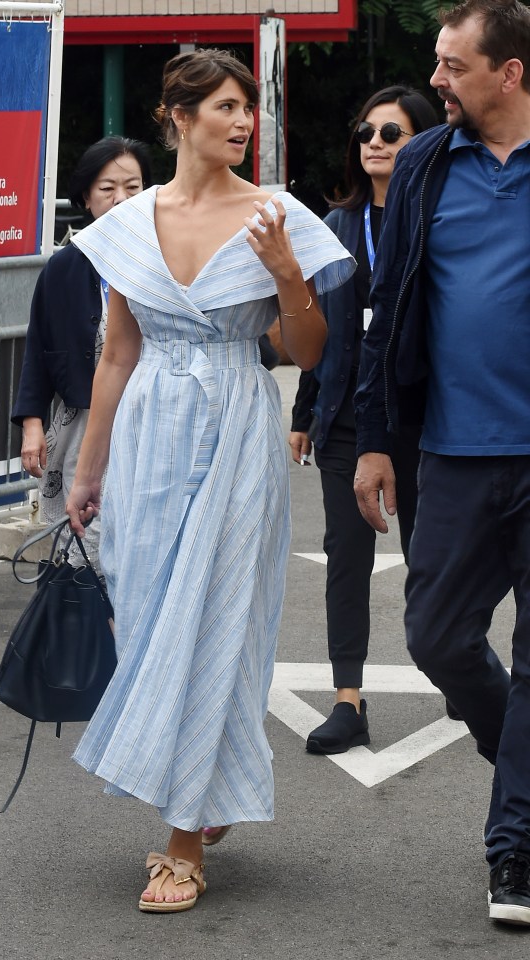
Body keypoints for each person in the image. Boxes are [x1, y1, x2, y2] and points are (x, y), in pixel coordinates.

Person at [65, 48, 355, 913]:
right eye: (225, 107)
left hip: (237, 425)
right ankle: (206, 777)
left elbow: (308, 351)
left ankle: (182, 842)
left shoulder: (277, 216)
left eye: (247, 110)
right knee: (156, 615)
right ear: (178, 116)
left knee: (215, 621)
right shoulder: (126, 224)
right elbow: (118, 351)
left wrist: (286, 274)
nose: (243, 122)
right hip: (152, 432)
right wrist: (90, 469)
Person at [353, 0, 530, 926]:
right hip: (452, 451)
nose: (435, 81)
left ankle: (516, 852)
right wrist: (376, 437)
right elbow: (390, 304)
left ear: (510, 73)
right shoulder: (424, 164)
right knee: (435, 636)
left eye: (453, 66)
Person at [288, 87, 439, 754]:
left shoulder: (443, 215)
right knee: (345, 558)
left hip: (429, 418)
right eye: (365, 131)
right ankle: (348, 698)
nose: (373, 142)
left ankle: (457, 672)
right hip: (348, 416)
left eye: (391, 132)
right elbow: (321, 331)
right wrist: (303, 410)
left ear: (423, 143)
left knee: (439, 559)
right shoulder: (335, 226)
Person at [11, 136, 152, 568]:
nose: (122, 198)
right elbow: (40, 346)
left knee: (141, 549)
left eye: (133, 186)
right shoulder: (65, 266)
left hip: (151, 420)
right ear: (87, 197)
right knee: (84, 554)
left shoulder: (164, 259)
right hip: (82, 426)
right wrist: (32, 424)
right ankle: (91, 630)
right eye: (107, 189)